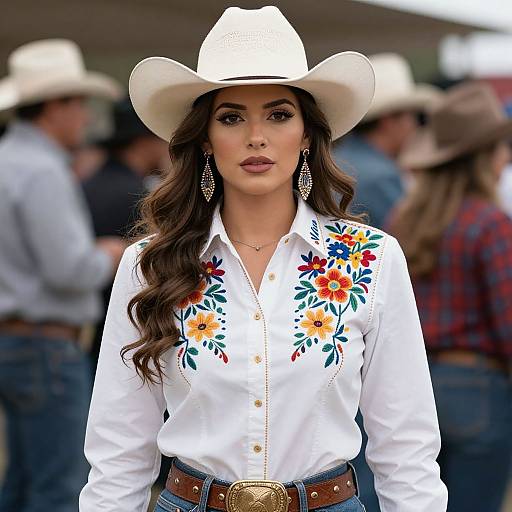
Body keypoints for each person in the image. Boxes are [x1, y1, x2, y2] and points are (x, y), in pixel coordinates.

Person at [79, 7, 448, 512]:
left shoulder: (371, 260)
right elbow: (118, 449)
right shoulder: (151, 264)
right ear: (205, 139)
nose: (257, 136)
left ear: (307, 134)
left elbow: (407, 445)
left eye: (279, 114)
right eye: (232, 117)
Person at [0, 39, 126, 512]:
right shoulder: (42, 171)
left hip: (15, 339)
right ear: (57, 106)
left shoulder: (9, 158)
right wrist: (112, 254)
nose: (86, 119)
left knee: (22, 480)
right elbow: (69, 269)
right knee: (58, 486)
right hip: (45, 344)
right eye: (79, 106)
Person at [389, 82, 512, 512]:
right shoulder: (490, 223)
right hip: (479, 386)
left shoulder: (401, 223)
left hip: (411, 386)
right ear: (483, 157)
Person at [83, 97, 168, 371]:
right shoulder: (141, 198)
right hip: (130, 330)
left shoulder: (87, 184)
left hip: (95, 329)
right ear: (144, 140)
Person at [332, 53, 439, 229]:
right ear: (389, 121)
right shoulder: (382, 176)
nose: (413, 126)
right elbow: (409, 237)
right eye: (410, 116)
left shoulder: (335, 159)